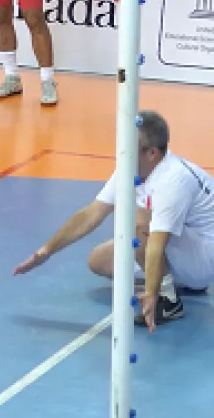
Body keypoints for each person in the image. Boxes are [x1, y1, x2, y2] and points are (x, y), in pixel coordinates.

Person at [13, 111, 214, 332]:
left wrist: (152, 292)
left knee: (136, 220)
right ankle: (181, 283)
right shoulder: (132, 168)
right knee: (99, 260)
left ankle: (168, 303)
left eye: (129, 148)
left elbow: (156, 242)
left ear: (152, 154)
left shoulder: (173, 180)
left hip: (205, 259)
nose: (122, 153)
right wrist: (46, 250)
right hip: (186, 251)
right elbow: (92, 213)